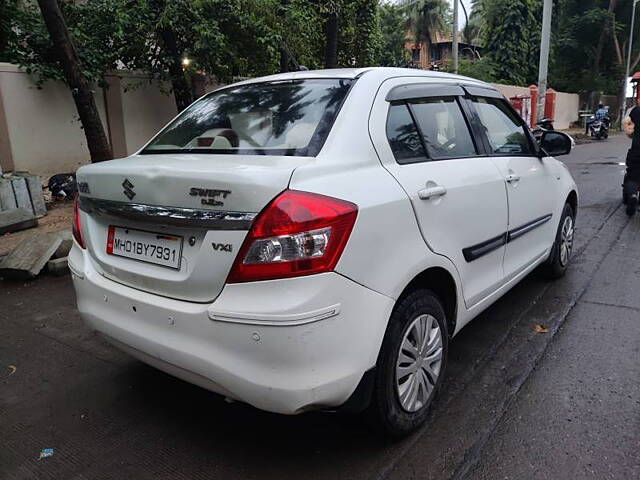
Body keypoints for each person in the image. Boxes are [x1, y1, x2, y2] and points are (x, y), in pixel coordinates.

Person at [623, 99, 640, 216]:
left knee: (632, 178)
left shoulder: (636, 111)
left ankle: (633, 195)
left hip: (637, 150)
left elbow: (628, 128)